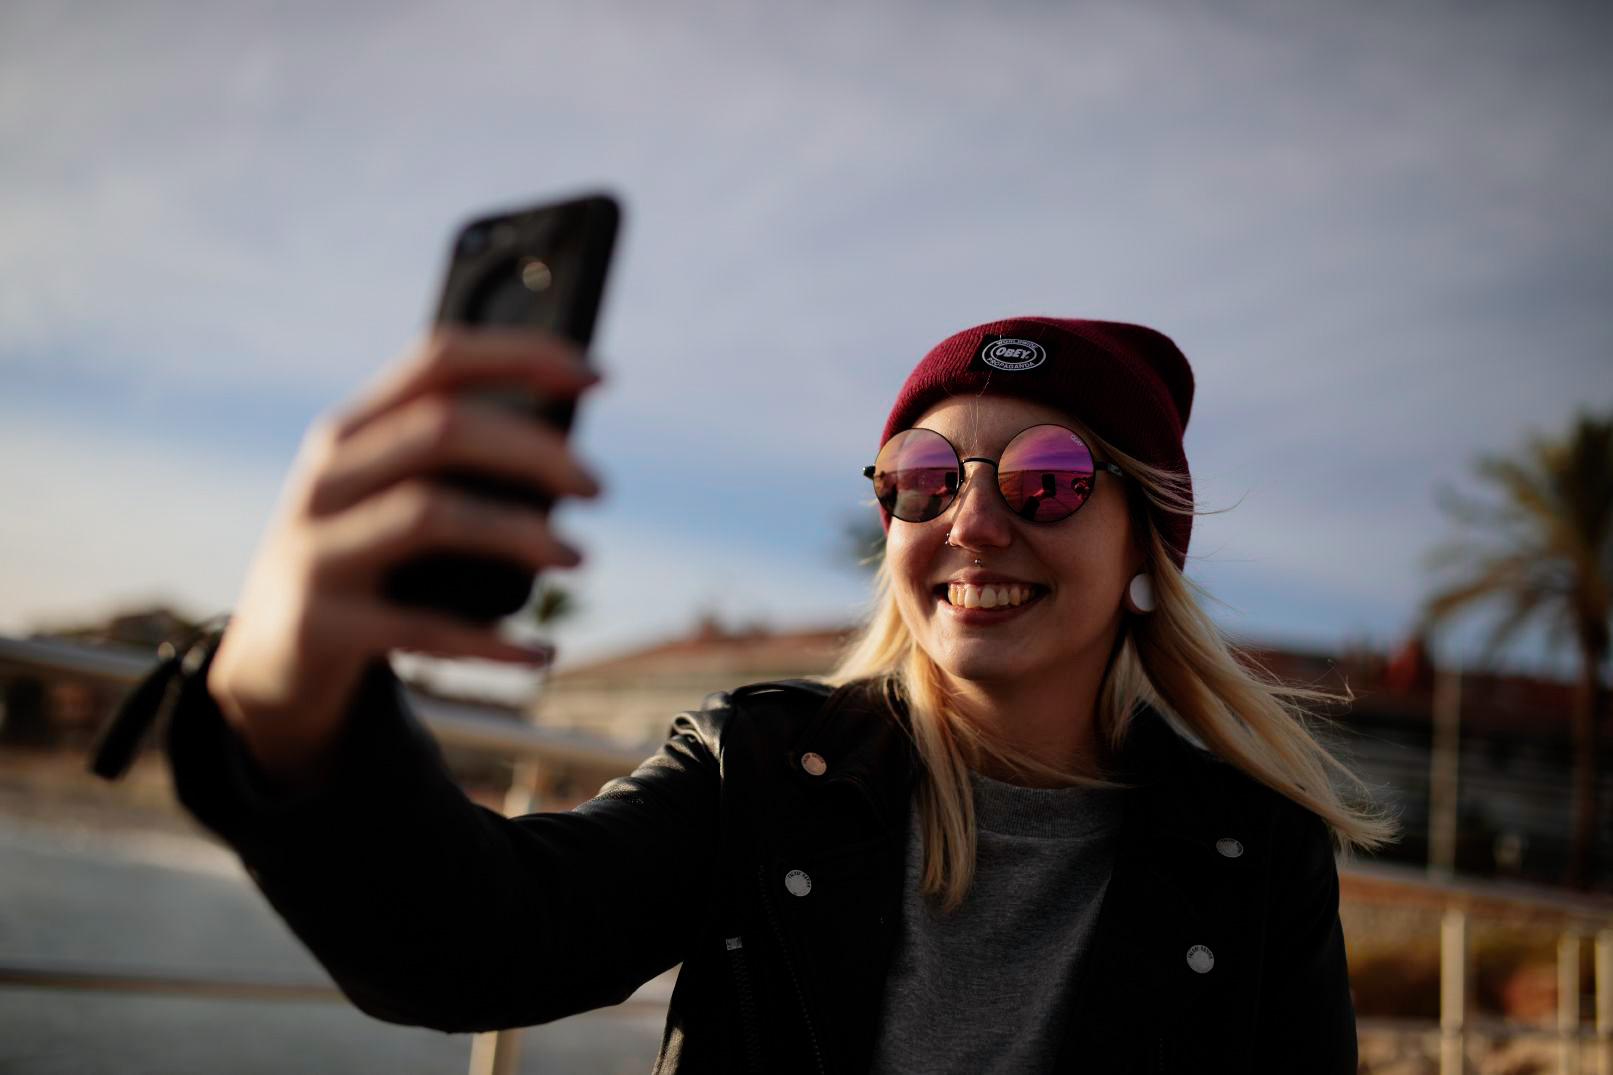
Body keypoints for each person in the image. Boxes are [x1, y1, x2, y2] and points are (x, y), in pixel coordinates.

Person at [127, 316, 1391, 1073]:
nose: (974, 520)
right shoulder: (765, 767)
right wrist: (288, 699)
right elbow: (478, 944)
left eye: (1048, 478)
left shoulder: (1253, 858)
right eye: (923, 475)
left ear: (1142, 562)